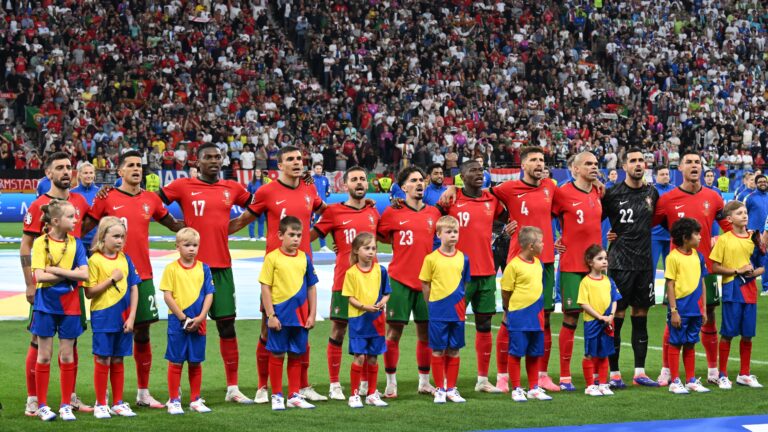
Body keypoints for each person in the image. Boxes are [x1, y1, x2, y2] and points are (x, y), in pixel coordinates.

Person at [83, 150, 184, 409]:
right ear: (120, 172)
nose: (137, 169)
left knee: (142, 332)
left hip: (143, 276)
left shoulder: (151, 199)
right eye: (131, 165)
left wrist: (202, 226)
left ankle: (142, 392)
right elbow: (84, 227)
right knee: (109, 334)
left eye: (140, 165)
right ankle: (106, 397)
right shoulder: (106, 198)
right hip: (111, 275)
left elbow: (173, 224)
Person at [231, 145, 327, 404]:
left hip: (303, 269)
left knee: (302, 328)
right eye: (291, 159)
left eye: (300, 158)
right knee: (267, 329)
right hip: (276, 272)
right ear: (280, 166)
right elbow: (242, 221)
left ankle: (302, 387)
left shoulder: (310, 188)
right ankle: (263, 387)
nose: (297, 162)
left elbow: (326, 212)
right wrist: (213, 234)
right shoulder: (266, 191)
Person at [160, 143, 254, 404]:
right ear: (197, 162)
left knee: (227, 325)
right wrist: (176, 226)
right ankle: (176, 389)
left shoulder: (233, 188)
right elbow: (154, 203)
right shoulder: (182, 186)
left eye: (217, 157)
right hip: (190, 270)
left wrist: (234, 226)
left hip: (222, 267)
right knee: (186, 325)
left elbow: (257, 206)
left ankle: (232, 388)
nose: (214, 161)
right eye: (208, 157)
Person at [20, 152, 92, 417]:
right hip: (45, 291)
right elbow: (26, 245)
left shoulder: (80, 201)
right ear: (48, 174)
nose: (65, 171)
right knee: (38, 342)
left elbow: (88, 229)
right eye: (59, 167)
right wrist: (30, 283)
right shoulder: (39, 204)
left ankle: (68, 398)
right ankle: (33, 399)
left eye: (68, 167)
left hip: (72, 290)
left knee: (70, 344)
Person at [653, 151, 730, 386]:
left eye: (698, 162)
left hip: (705, 268)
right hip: (678, 270)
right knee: (673, 319)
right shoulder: (667, 199)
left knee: (709, 317)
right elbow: (650, 224)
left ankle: (713, 370)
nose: (694, 165)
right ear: (681, 169)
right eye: (689, 162)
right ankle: (667, 369)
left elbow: (728, 225)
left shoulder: (714, 197)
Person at [311, 166, 380, 400]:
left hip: (371, 285)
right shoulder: (333, 212)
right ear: (345, 185)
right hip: (344, 282)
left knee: (368, 335)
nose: (359, 182)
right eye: (354, 179)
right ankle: (334, 384)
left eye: (363, 179)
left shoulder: (374, 212)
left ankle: (365, 385)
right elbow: (312, 235)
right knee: (338, 331)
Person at [438, 160, 504, 393]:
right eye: (472, 171)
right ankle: (444, 379)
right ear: (461, 177)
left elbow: (507, 218)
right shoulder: (450, 200)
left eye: (481, 170)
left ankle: (483, 380)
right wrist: (451, 189)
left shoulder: (492, 200)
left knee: (484, 324)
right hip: (457, 275)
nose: (478, 174)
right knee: (451, 325)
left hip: (486, 272)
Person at [377, 166, 442, 398]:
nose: (419, 183)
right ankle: (391, 383)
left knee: (425, 334)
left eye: (421, 180)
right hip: (399, 281)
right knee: (393, 333)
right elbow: (377, 234)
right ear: (403, 187)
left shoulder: (434, 213)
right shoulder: (392, 213)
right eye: (413, 180)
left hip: (426, 282)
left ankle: (424, 382)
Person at [600, 149, 660, 388]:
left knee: (641, 318)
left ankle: (640, 372)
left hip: (645, 265)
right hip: (619, 264)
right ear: (624, 166)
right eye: (633, 161)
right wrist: (607, 236)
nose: (638, 164)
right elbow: (595, 217)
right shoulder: (612, 194)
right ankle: (614, 374)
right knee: (618, 318)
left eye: (641, 161)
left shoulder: (652, 193)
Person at [29, 200, 90, 421]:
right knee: (44, 356)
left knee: (66, 356)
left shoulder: (77, 244)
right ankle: (43, 405)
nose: (76, 220)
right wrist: (69, 273)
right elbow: (38, 277)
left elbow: (85, 275)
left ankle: (65, 405)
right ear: (56, 221)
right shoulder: (39, 243)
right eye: (71, 217)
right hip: (45, 305)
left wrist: (54, 269)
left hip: (71, 305)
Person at [551, 152, 603, 391]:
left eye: (595, 164)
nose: (594, 167)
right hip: (572, 264)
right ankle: (564, 376)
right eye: (588, 164)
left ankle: (593, 375)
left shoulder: (599, 192)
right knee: (571, 317)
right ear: (575, 169)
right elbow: (545, 215)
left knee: (596, 320)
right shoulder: (561, 193)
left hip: (596, 267)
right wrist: (554, 238)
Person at [259, 217, 319, 411]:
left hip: (301, 316)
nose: (296, 239)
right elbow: (265, 287)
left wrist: (312, 314)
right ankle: (277, 395)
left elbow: (311, 287)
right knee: (277, 354)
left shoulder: (304, 258)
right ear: (280, 235)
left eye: (299, 235)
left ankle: (293, 394)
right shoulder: (272, 258)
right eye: (291, 235)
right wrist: (270, 315)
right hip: (280, 315)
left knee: (296, 354)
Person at [83, 217, 139, 419]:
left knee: (118, 359)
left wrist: (132, 316)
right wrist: (111, 280)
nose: (119, 241)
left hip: (123, 318)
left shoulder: (126, 259)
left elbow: (134, 288)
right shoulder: (94, 260)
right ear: (102, 237)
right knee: (103, 358)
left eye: (122, 237)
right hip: (103, 317)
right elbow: (89, 292)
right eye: (115, 236)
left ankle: (118, 402)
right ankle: (100, 404)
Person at [161, 228, 216, 414]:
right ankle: (174, 400)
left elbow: (209, 294)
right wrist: (183, 318)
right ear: (177, 247)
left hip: (199, 323)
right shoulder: (171, 269)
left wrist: (201, 317)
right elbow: (167, 296)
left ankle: (195, 399)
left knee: (195, 361)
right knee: (176, 361)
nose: (191, 249)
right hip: (178, 322)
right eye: (187, 245)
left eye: (195, 245)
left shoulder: (204, 268)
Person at [710, 201, 764, 389]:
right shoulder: (724, 240)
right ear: (729, 218)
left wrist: (753, 273)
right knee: (728, 333)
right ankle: (723, 375)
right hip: (732, 290)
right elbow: (714, 266)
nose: (744, 215)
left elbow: (762, 265)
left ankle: (744, 374)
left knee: (748, 335)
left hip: (750, 291)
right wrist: (736, 271)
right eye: (740, 213)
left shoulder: (754, 238)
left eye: (746, 212)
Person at [419, 216, 470, 404]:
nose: (453, 235)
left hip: (457, 311)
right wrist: (431, 304)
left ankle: (452, 389)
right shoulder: (431, 259)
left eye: (455, 231)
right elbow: (425, 283)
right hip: (438, 311)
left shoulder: (464, 258)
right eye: (448, 232)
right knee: (438, 350)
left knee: (454, 349)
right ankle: (440, 389)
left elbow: (464, 282)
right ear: (439, 234)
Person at [501, 226, 553, 402]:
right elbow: (506, 292)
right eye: (540, 241)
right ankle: (516, 388)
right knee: (516, 353)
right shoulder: (513, 266)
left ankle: (533, 388)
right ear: (531, 246)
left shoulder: (538, 264)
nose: (543, 244)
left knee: (534, 353)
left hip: (536, 317)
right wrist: (510, 310)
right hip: (518, 316)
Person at [342, 232, 391, 408]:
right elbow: (350, 298)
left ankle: (372, 393)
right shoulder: (351, 273)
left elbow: (387, 293)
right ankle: (354, 394)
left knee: (373, 358)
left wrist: (381, 303)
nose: (371, 252)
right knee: (359, 356)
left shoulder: (381, 270)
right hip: (358, 321)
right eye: (367, 248)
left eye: (374, 248)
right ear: (356, 251)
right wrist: (365, 307)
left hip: (377, 321)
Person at [664, 218, 710, 395]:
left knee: (691, 343)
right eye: (696, 234)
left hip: (696, 309)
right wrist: (674, 310)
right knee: (676, 343)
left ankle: (690, 380)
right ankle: (675, 381)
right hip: (680, 309)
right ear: (685, 237)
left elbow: (702, 283)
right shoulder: (673, 257)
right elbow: (670, 285)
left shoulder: (699, 256)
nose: (700, 237)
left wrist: (704, 309)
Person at [577, 244, 621, 397]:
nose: (604, 261)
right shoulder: (586, 282)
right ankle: (590, 386)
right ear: (590, 262)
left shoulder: (609, 281)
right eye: (600, 259)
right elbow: (583, 303)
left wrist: (611, 315)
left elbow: (615, 299)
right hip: (593, 323)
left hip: (608, 322)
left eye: (605, 258)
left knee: (604, 353)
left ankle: (602, 384)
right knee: (590, 353)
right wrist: (600, 316)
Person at [745, 175, 768, 295]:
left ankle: (766, 287)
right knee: (752, 260)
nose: (763, 183)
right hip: (753, 235)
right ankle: (749, 286)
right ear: (756, 183)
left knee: (766, 260)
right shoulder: (750, 198)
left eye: (765, 181)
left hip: (767, 234)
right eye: (760, 182)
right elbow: (745, 214)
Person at [70, 163, 98, 252]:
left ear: (94, 175)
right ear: (80, 175)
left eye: (91, 173)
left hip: (96, 239)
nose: (88, 175)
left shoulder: (101, 192)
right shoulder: (71, 193)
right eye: (85, 173)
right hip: (78, 239)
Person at [652, 167, 675, 271]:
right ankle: (650, 288)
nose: (666, 176)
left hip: (671, 236)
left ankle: (669, 288)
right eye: (662, 174)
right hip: (654, 236)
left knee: (671, 270)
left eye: (667, 174)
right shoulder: (650, 191)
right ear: (655, 176)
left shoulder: (675, 190)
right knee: (651, 268)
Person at [312, 163, 332, 252]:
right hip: (312, 206)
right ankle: (308, 247)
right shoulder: (311, 179)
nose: (318, 170)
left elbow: (328, 190)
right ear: (314, 169)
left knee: (321, 226)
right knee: (310, 226)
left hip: (323, 206)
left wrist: (328, 193)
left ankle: (323, 246)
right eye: (317, 168)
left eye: (320, 168)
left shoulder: (325, 179)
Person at [247, 169, 269, 241]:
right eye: (256, 172)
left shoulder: (264, 183)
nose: (258, 173)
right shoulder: (251, 183)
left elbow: (266, 194)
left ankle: (261, 236)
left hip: (262, 204)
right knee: (251, 220)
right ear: (254, 173)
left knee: (261, 220)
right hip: (253, 204)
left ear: (261, 173)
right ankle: (252, 236)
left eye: (259, 172)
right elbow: (248, 194)